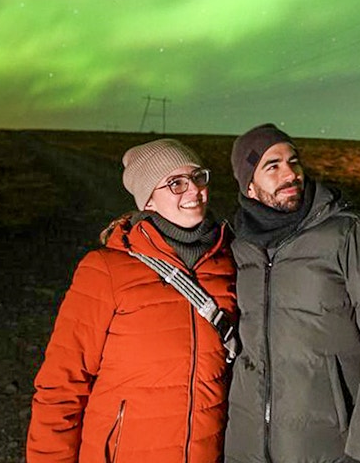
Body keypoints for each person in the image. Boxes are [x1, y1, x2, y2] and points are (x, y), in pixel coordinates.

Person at [27, 138, 237, 463]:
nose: (194, 190)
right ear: (148, 200)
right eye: (176, 183)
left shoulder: (227, 261)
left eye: (198, 177)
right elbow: (61, 385)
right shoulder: (106, 270)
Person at [224, 124, 360, 463]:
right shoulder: (237, 247)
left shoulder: (347, 233)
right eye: (273, 165)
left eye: (293, 160)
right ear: (249, 187)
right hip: (246, 445)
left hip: (327, 448)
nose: (290, 174)